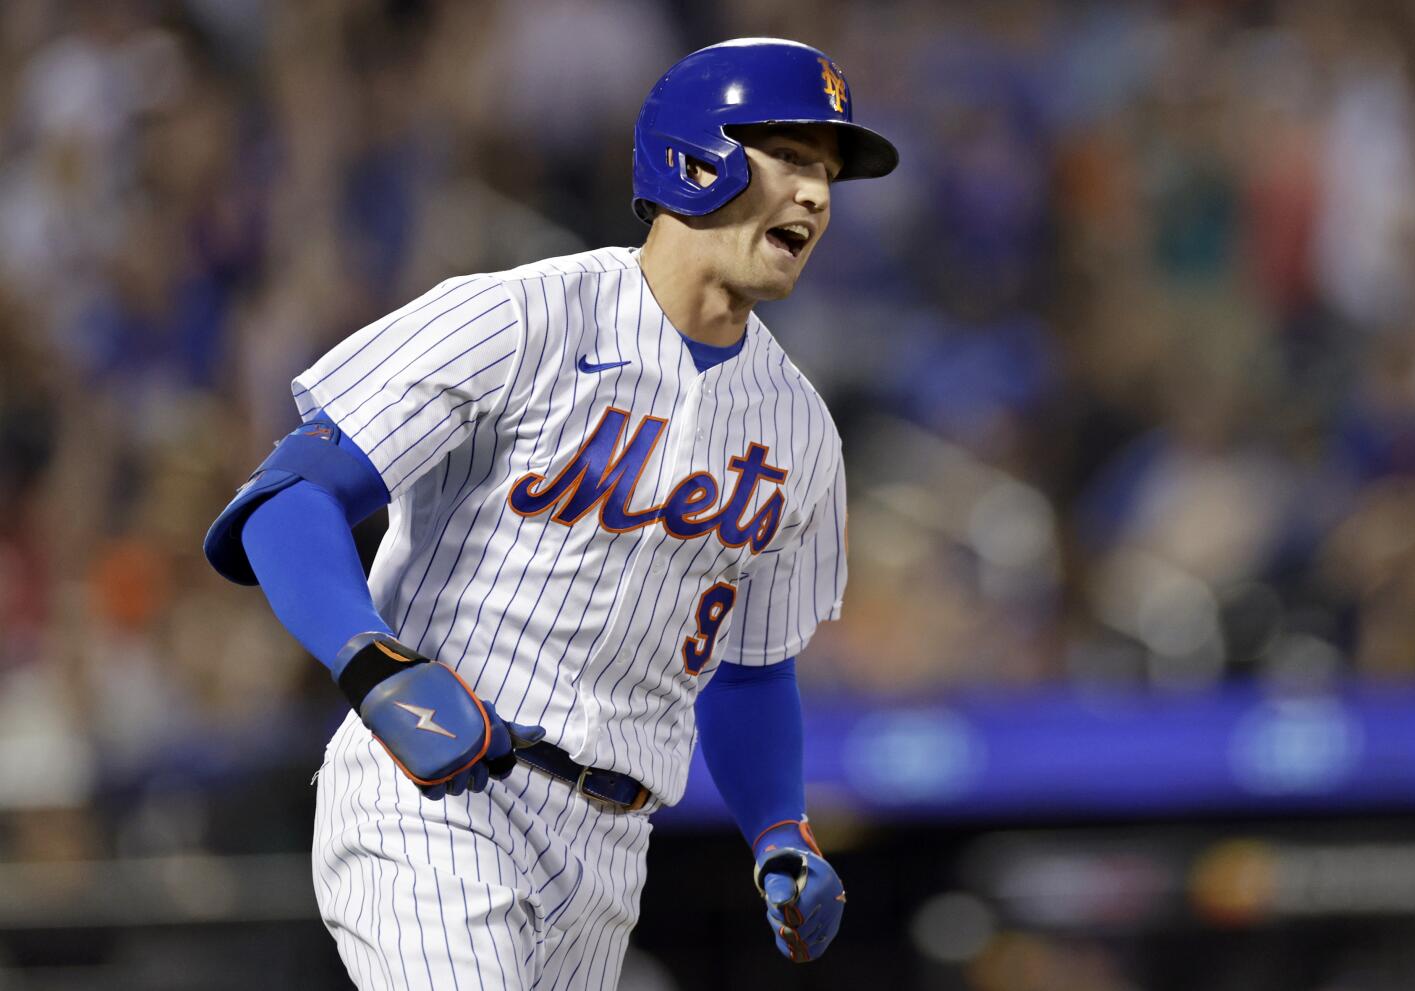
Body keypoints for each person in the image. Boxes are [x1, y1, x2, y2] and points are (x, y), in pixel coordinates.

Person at [204, 37, 897, 990]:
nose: (817, 195)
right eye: (789, 158)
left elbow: (749, 669)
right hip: (436, 799)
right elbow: (286, 501)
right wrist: (371, 662)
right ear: (696, 155)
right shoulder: (524, 316)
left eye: (827, 173)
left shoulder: (802, 431)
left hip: (613, 849)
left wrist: (778, 828)